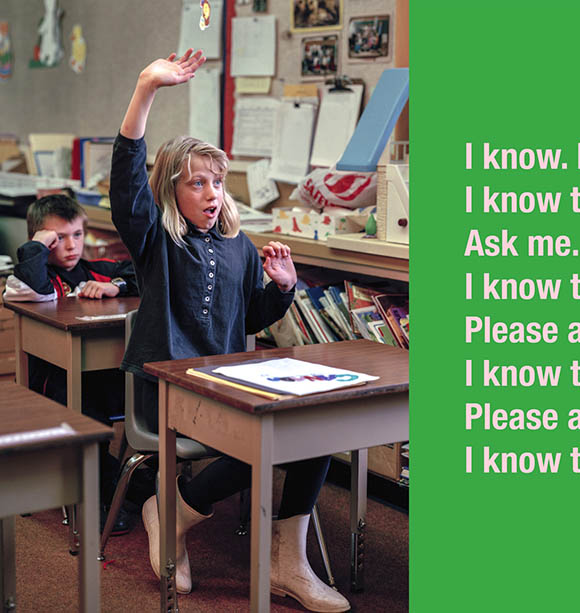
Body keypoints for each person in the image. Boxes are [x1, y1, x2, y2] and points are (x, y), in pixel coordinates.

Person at [111, 49, 349, 612]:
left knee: (309, 429)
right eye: (196, 184)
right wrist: (146, 87)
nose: (212, 193)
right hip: (168, 388)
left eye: (217, 182)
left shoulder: (238, 247)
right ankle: (166, 512)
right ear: (171, 191)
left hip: (223, 384)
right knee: (263, 443)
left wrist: (283, 289)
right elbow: (127, 179)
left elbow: (246, 319)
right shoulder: (156, 240)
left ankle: (287, 559)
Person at [3, 193, 140, 535]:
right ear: (39, 239)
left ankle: (120, 477)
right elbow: (27, 287)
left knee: (138, 389)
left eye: (77, 235)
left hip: (100, 374)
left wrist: (115, 287)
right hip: (52, 379)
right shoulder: (35, 280)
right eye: (57, 238)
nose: (70, 246)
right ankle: (97, 491)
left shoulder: (94, 270)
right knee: (85, 409)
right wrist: (37, 247)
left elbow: (140, 274)